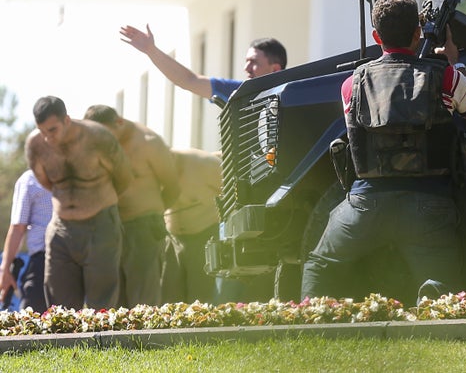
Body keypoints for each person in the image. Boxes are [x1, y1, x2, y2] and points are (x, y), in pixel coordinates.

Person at [300, 0, 466, 303]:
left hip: (365, 204)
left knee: (319, 266)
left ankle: (309, 322)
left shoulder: (352, 84)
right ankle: (433, 293)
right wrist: (459, 67)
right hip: (428, 205)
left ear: (376, 36)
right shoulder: (444, 76)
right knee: (443, 286)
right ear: (418, 33)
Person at [25, 96, 133, 310]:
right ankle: (63, 344)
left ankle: (101, 344)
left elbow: (124, 178)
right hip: (61, 229)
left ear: (67, 120)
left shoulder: (98, 137)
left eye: (53, 130)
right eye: (42, 131)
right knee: (59, 306)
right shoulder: (36, 145)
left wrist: (94, 201)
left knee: (101, 306)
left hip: (101, 225)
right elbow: (48, 183)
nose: (47, 138)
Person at [83, 105, 180, 308]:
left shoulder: (149, 143)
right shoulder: (96, 143)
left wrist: (153, 214)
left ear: (119, 122)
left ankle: (146, 340)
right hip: (109, 227)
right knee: (112, 301)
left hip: (143, 227)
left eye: (106, 135)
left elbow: (173, 186)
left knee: (143, 300)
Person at [119, 24, 287, 103]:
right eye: (246, 62)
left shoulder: (292, 95)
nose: (246, 68)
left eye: (254, 62)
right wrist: (151, 50)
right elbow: (188, 80)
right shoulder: (237, 92)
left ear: (275, 69)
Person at [161, 148, 222, 304]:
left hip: (205, 234)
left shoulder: (207, 165)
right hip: (172, 238)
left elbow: (234, 195)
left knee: (199, 295)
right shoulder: (154, 172)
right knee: (168, 294)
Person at [0, 169, 53, 312]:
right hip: (77, 257)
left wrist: (5, 269)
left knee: (30, 321)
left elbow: (18, 227)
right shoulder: (77, 175)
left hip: (43, 263)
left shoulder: (30, 179)